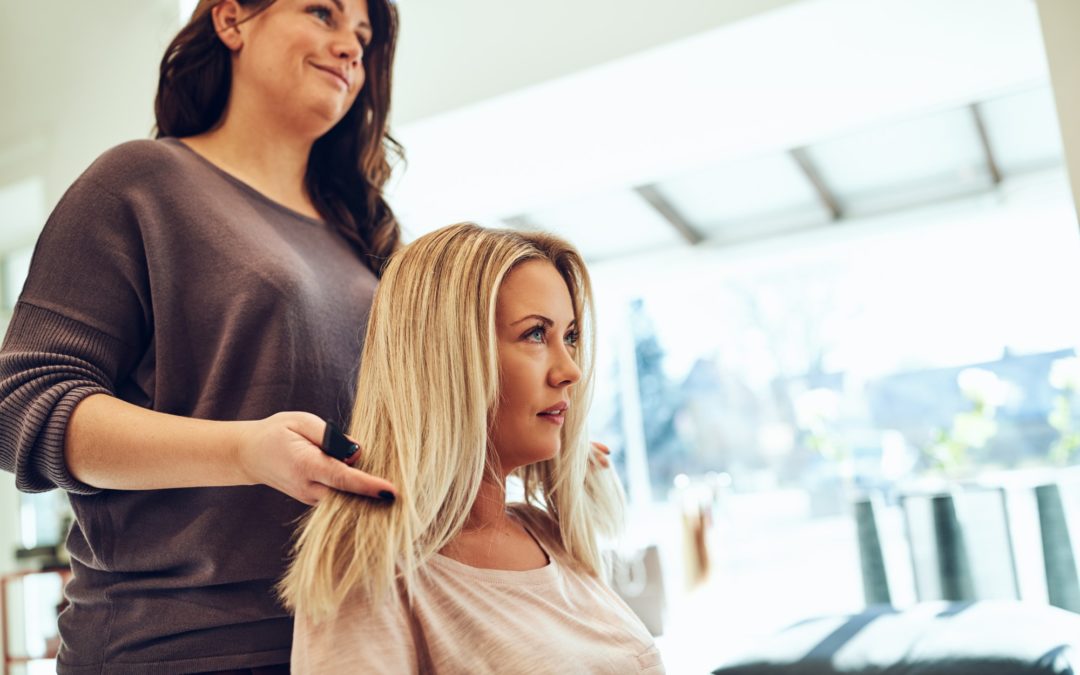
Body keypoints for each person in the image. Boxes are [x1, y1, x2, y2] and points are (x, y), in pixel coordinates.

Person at [0, 0, 402, 672]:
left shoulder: (363, 239)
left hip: (350, 641)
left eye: (364, 36)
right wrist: (244, 451)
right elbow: (19, 408)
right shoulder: (139, 184)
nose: (352, 48)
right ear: (231, 20)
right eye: (323, 13)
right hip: (178, 646)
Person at [282, 223, 665, 674]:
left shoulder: (549, 535)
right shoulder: (373, 568)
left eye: (571, 337)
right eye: (536, 335)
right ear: (447, 358)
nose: (570, 370)